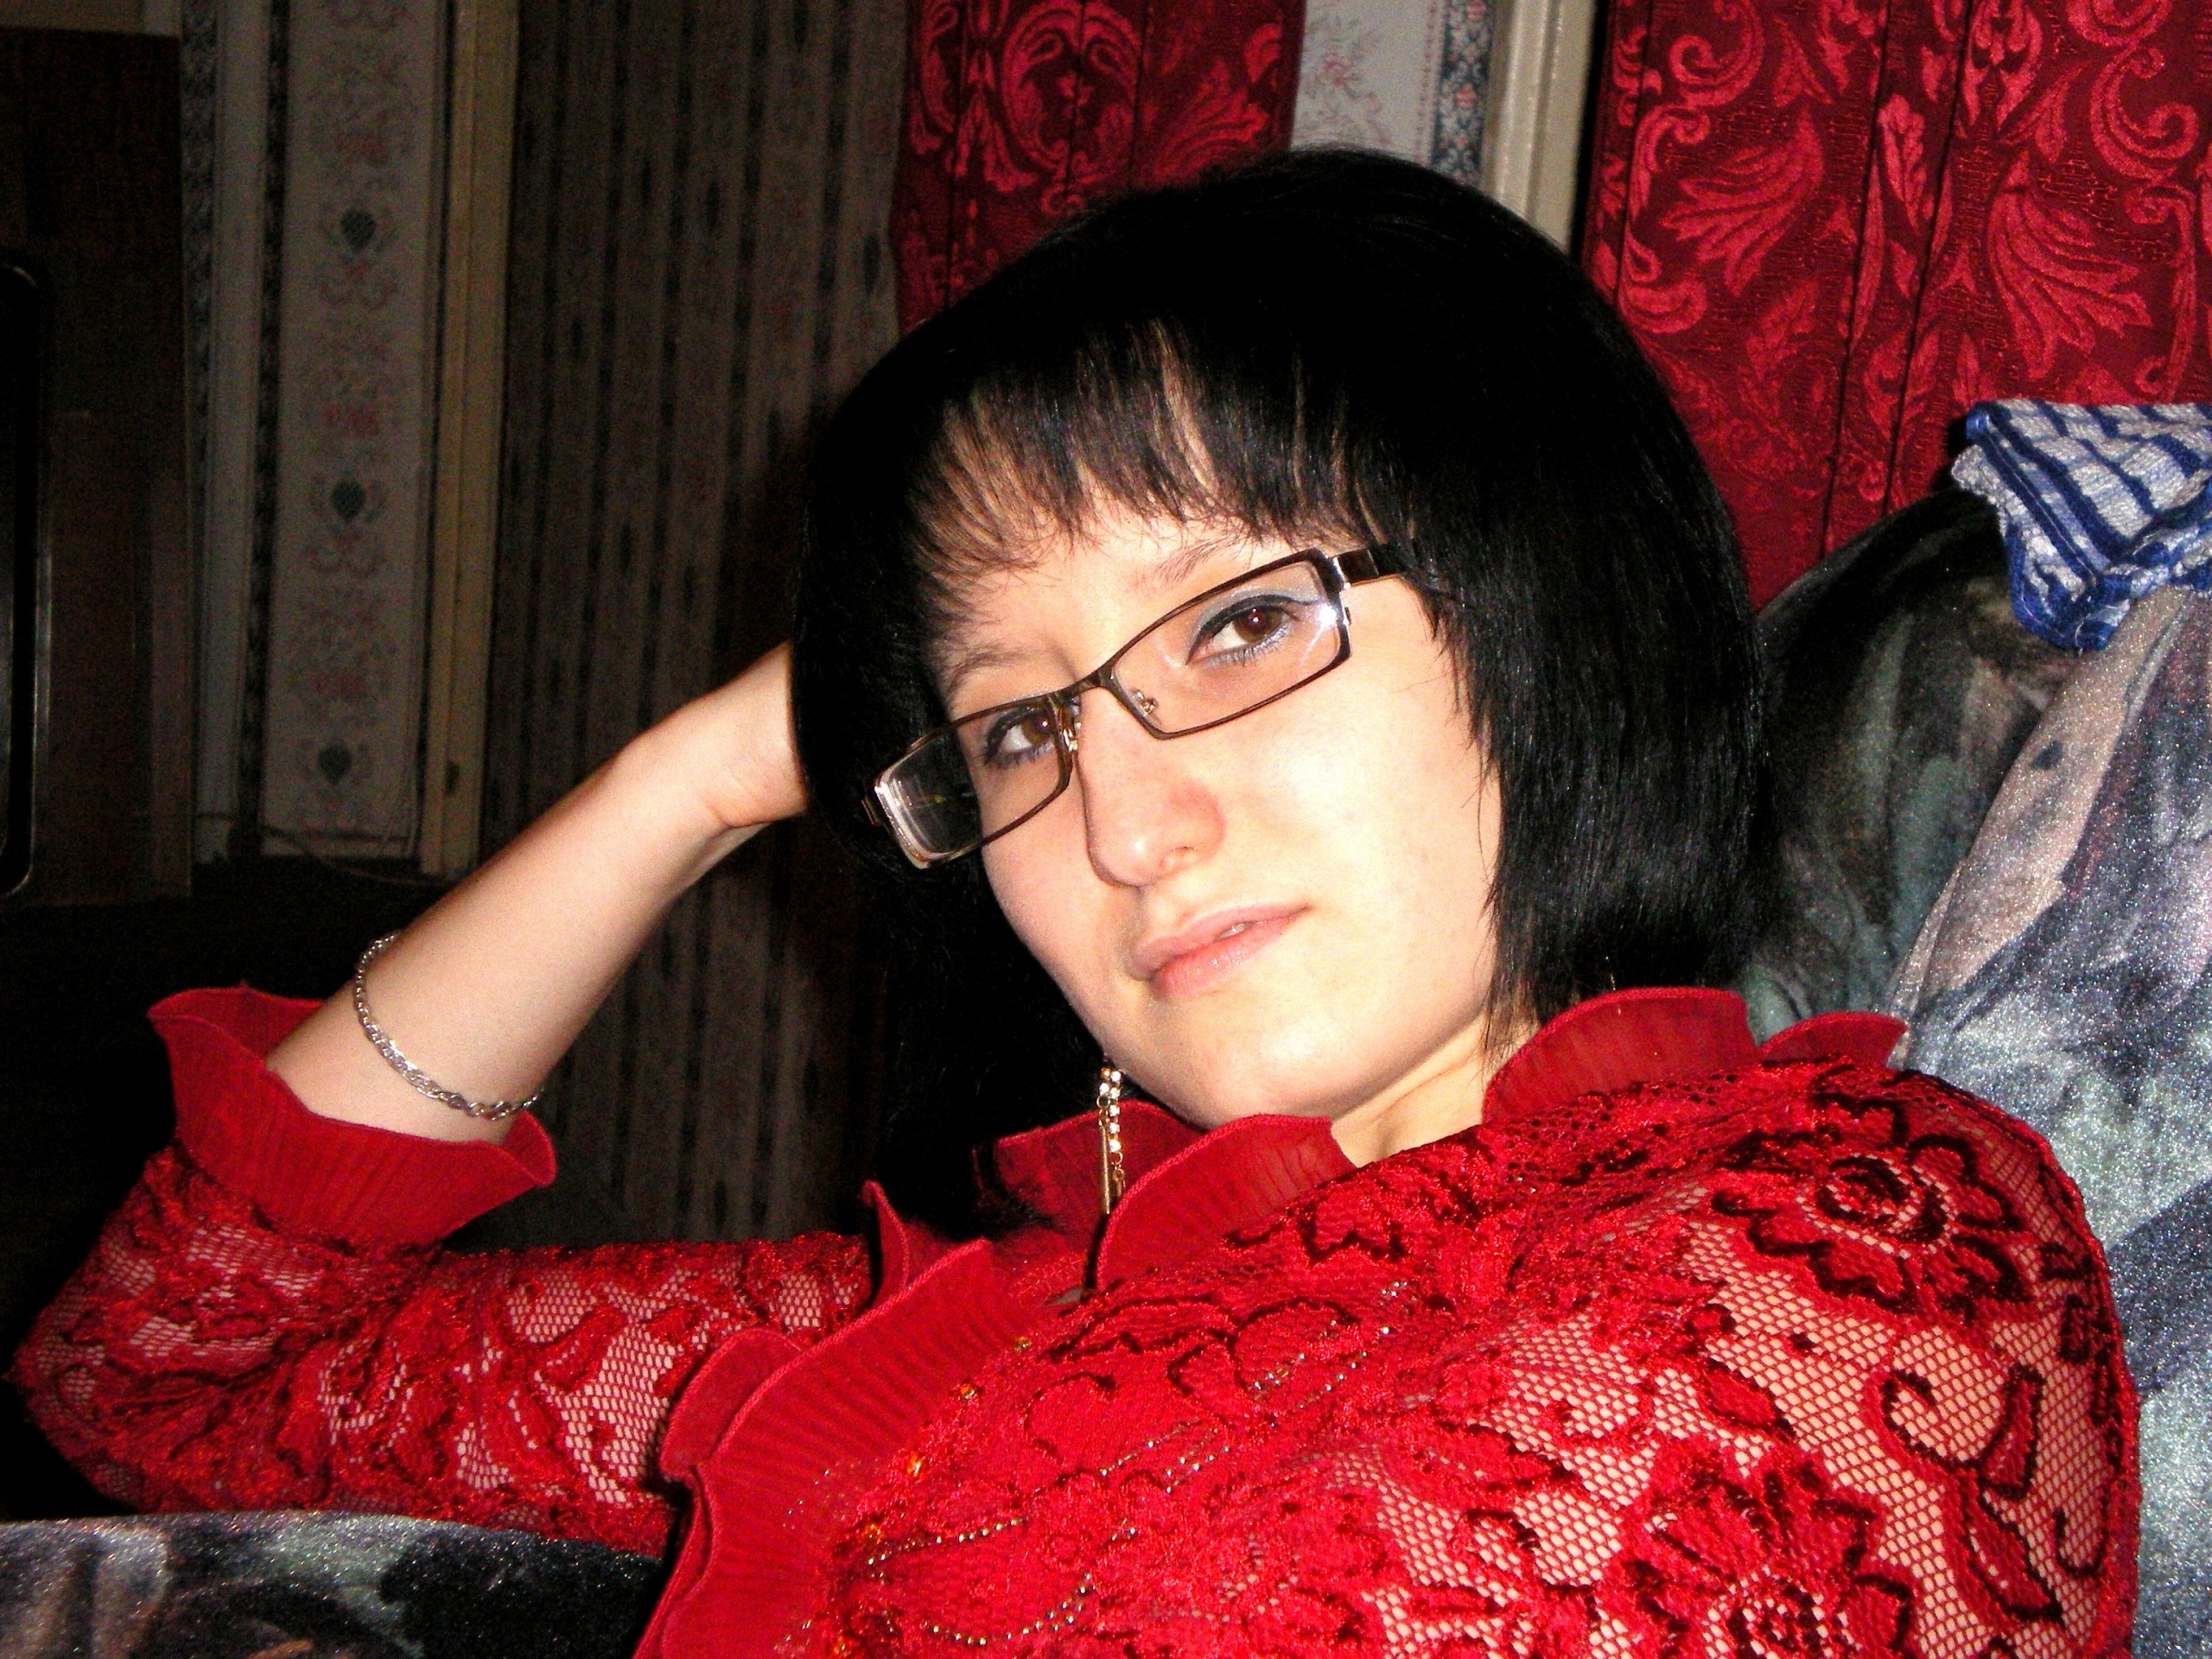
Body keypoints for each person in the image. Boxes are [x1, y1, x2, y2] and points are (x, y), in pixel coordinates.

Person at [12, 152, 2137, 1657]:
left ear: (1545, 610)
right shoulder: (1000, 1317)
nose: (1120, 824)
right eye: (1016, 729)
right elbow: (169, 1368)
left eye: (1233, 625)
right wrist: (696, 778)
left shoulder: (1856, 1255)